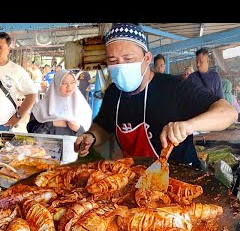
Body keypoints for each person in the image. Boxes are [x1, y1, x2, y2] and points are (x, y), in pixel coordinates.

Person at [73, 23, 237, 168]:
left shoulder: (174, 87)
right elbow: (102, 127)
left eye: (128, 59)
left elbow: (228, 112)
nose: (121, 66)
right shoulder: (113, 93)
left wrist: (189, 125)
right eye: (113, 61)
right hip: (135, 179)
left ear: (147, 58)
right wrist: (91, 136)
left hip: (182, 181)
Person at [0, 32, 37, 131]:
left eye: (1, 47)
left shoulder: (16, 70)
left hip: (4, 125)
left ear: (8, 49)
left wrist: (17, 117)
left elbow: (32, 94)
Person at [27, 69, 92, 136]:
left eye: (73, 82)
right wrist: (52, 123)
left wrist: (79, 129)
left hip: (73, 145)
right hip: (46, 145)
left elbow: (88, 135)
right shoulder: (41, 106)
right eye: (64, 83)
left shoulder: (83, 106)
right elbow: (31, 130)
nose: (69, 87)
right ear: (56, 84)